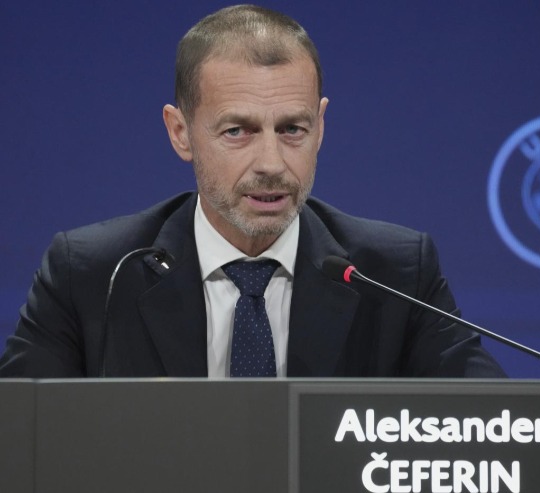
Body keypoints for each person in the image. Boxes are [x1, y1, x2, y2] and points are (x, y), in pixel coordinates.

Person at [0, 5, 505, 378]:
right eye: (237, 131)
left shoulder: (395, 274)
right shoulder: (92, 274)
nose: (271, 163)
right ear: (181, 133)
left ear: (321, 127)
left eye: (292, 129)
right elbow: (19, 437)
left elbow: (496, 428)